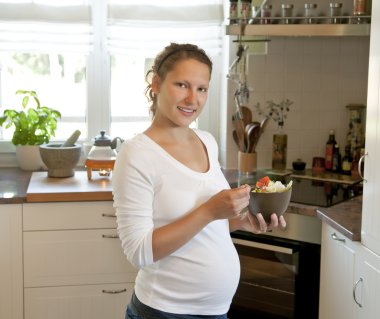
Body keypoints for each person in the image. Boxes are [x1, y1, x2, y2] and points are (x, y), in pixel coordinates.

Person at [112, 42, 286, 319]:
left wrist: (240, 221)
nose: (193, 99)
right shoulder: (136, 154)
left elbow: (205, 229)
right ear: (156, 84)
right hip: (164, 312)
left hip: (216, 313)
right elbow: (139, 252)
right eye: (181, 85)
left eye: (202, 88)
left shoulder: (206, 141)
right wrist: (209, 211)